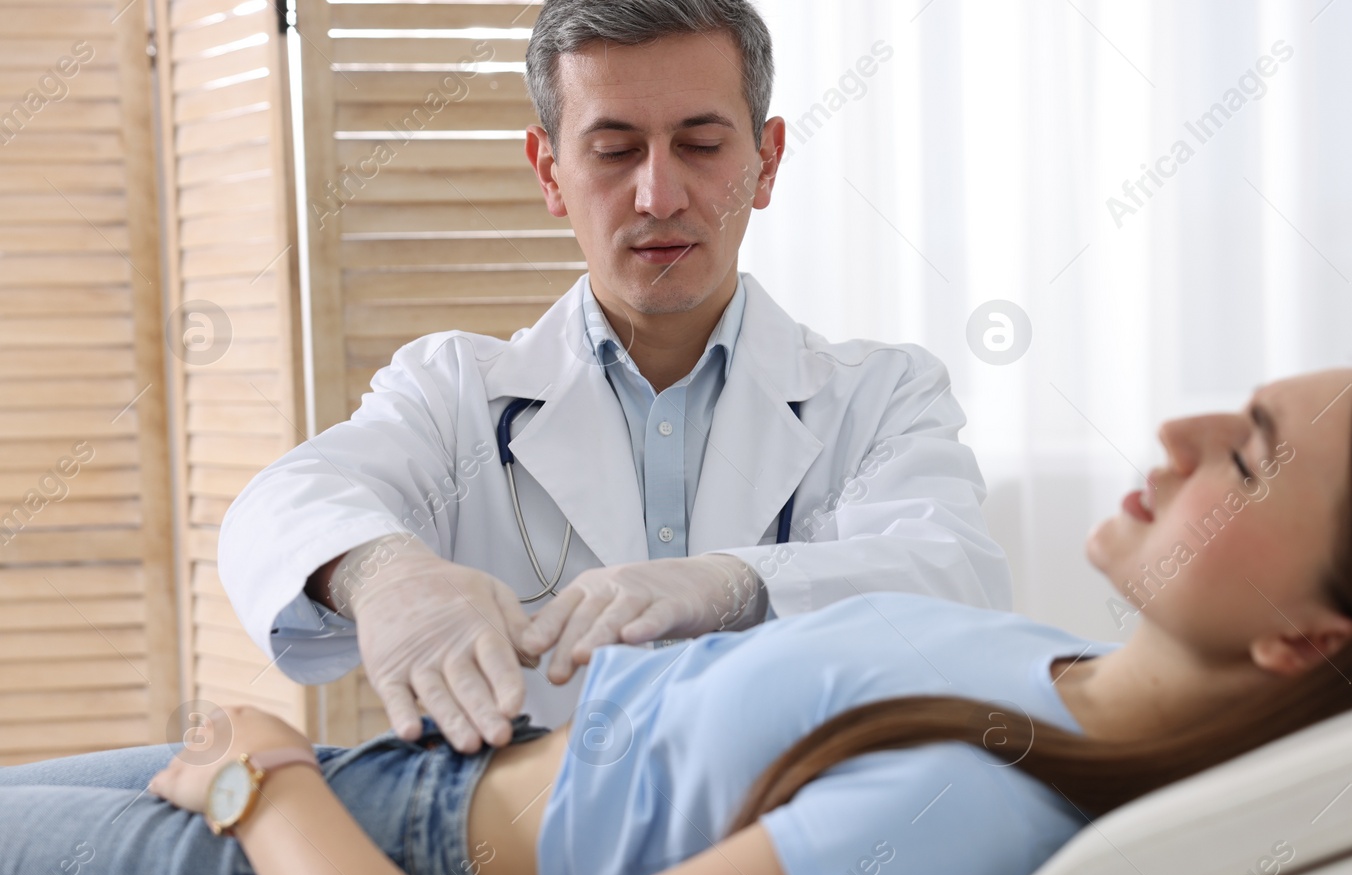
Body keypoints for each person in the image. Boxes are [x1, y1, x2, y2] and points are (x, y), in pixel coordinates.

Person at [2, 360, 1352, 875]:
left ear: (1315, 632)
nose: (1176, 426)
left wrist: (265, 786)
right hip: (357, 810)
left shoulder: (967, 806)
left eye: (1246, 455)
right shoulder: (1042, 671)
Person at [217, 0, 1010, 752]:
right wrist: (383, 574)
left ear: (766, 163)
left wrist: (730, 584)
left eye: (701, 146)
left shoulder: (881, 396)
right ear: (549, 171)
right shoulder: (453, 392)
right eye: (614, 150)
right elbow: (281, 504)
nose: (659, 196)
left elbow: (955, 580)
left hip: (788, 864)